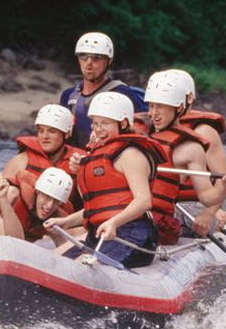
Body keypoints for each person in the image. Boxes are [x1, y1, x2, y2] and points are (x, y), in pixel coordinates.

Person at [44, 92, 166, 268]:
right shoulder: (100, 154)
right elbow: (99, 207)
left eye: (105, 123)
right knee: (53, 264)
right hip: (101, 233)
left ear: (123, 123)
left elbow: (144, 201)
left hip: (132, 234)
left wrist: (114, 222)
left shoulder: (131, 154)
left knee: (79, 269)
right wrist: (65, 222)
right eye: (95, 123)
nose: (98, 129)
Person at [143, 69, 226, 237]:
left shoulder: (202, 132)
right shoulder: (150, 132)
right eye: (152, 105)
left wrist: (209, 214)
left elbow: (219, 181)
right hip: (164, 205)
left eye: (161, 105)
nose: (154, 113)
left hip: (193, 206)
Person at [58, 32, 147, 148]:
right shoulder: (68, 95)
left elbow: (138, 134)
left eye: (96, 58)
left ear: (108, 61)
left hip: (108, 158)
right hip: (74, 160)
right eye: (83, 56)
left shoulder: (122, 94)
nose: (89, 63)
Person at [1, 103, 84, 203]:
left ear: (66, 134)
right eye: (41, 131)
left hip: (65, 215)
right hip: (24, 216)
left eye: (52, 131)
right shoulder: (21, 160)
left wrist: (81, 172)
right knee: (11, 192)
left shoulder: (78, 162)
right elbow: (0, 193)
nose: (45, 136)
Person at [0, 166, 74, 242]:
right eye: (47, 197)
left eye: (56, 201)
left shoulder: (60, 219)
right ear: (38, 191)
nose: (49, 206)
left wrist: (56, 236)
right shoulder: (11, 195)